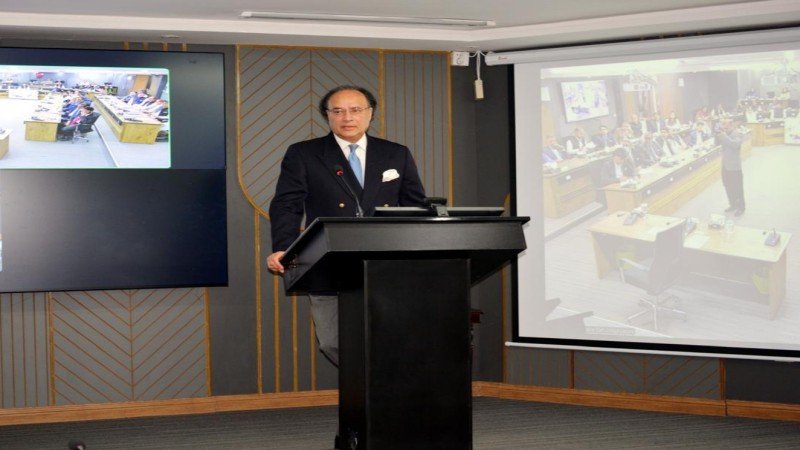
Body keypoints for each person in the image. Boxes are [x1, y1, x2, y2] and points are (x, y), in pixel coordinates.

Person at [266, 85, 426, 366]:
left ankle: (382, 387)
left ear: (370, 113)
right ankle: (371, 381)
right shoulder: (305, 153)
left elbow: (416, 206)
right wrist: (284, 248)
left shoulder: (395, 154)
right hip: (329, 260)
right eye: (338, 111)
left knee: (387, 335)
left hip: (385, 261)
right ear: (327, 115)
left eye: (355, 110)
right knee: (333, 341)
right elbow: (287, 205)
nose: (347, 117)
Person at [716, 119, 746, 216]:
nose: (723, 127)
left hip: (734, 167)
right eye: (722, 125)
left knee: (737, 188)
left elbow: (735, 145)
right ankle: (733, 204)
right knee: (728, 186)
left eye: (725, 125)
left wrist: (723, 135)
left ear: (731, 125)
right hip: (725, 165)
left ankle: (741, 207)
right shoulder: (724, 134)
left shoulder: (738, 134)